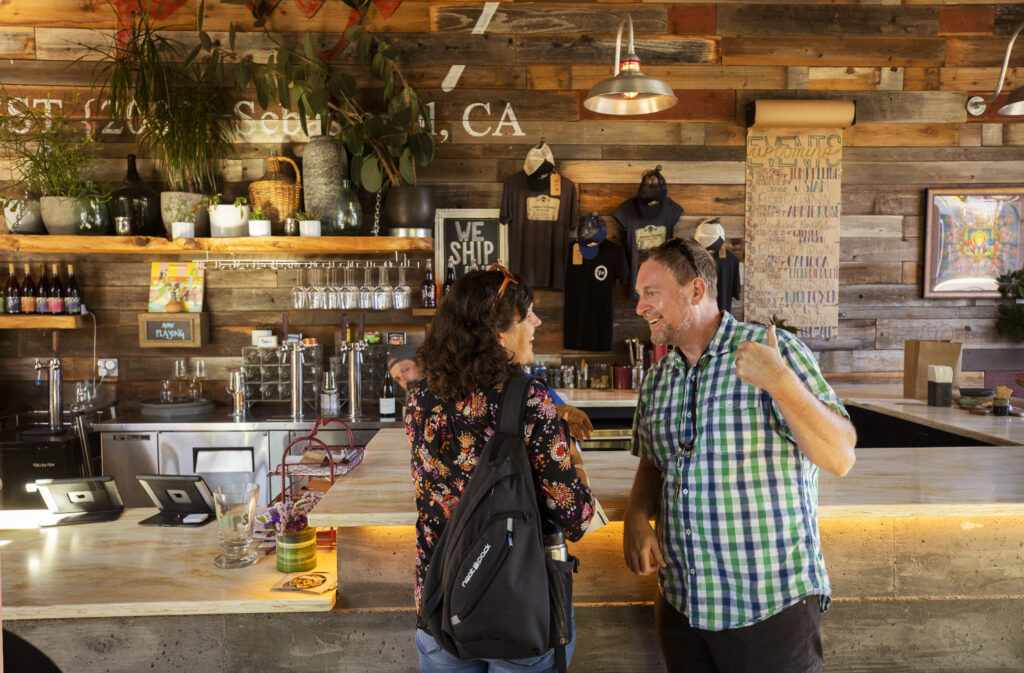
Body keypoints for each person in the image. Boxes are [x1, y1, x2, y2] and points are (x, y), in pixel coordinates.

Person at [623, 238, 856, 673]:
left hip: (767, 611)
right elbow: (654, 461)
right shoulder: (658, 378)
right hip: (682, 607)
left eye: (650, 293)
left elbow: (841, 455)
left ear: (695, 291)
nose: (640, 307)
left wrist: (781, 383)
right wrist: (637, 514)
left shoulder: (773, 351)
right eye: (640, 295)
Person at [406, 265, 595, 673]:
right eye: (527, 315)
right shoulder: (531, 400)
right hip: (517, 608)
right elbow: (574, 516)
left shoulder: (419, 399)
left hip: (439, 603)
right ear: (497, 333)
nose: (537, 323)